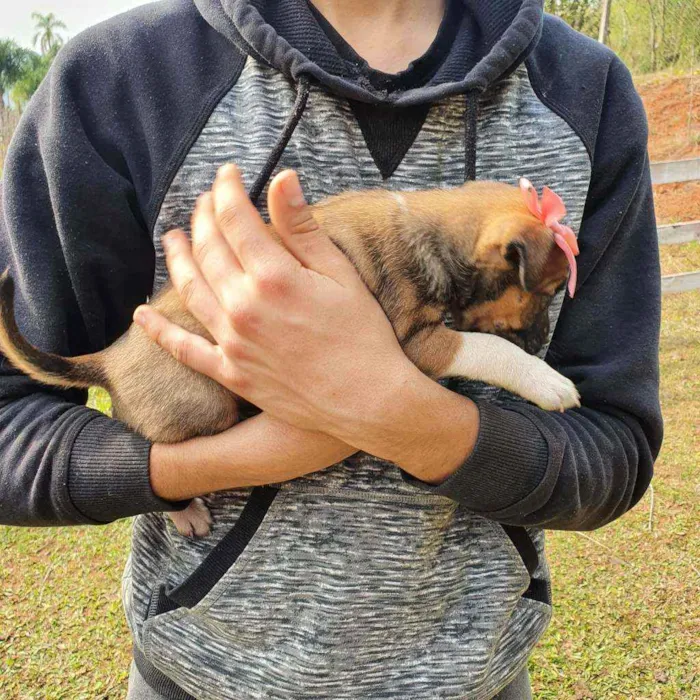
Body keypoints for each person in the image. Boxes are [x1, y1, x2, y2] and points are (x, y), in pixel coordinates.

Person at [0, 0, 662, 698]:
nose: (536, 316)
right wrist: (192, 468)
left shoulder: (585, 92)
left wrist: (397, 414)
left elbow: (613, 446)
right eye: (536, 296)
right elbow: (14, 422)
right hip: (196, 681)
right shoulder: (122, 79)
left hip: (476, 680)